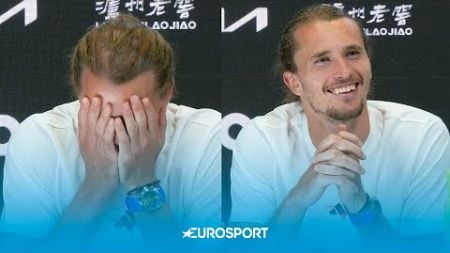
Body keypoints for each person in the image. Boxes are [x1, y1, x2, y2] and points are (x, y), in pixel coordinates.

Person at [229, 5, 450, 253]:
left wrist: (361, 207)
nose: (344, 72)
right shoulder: (262, 138)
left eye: (353, 53)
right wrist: (298, 198)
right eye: (323, 60)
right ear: (294, 82)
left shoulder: (421, 134)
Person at [0, 14, 221, 252]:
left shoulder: (204, 137)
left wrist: (142, 181)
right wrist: (97, 183)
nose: (115, 130)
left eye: (133, 113)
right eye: (99, 111)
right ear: (77, 91)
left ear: (167, 93)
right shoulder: (40, 138)